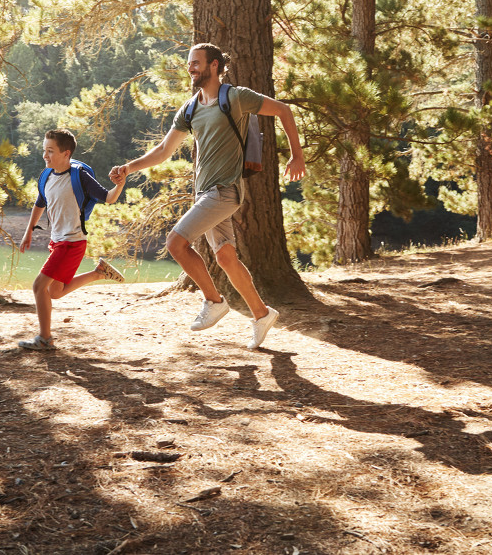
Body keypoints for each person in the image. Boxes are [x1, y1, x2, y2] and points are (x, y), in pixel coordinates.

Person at [110, 43, 306, 350]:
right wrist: (129, 167)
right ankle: (262, 313)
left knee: (176, 243)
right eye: (189, 63)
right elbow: (163, 151)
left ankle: (214, 301)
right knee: (226, 257)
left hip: (225, 191)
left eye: (196, 63)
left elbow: (283, 110)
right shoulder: (190, 108)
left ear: (214, 65)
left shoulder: (236, 97)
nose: (191, 68)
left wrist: (297, 155)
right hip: (205, 192)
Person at [18, 128, 126, 351]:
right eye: (44, 151)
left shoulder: (79, 176)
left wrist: (121, 183)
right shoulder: (46, 176)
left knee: (39, 286)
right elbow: (40, 204)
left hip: (72, 242)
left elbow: (109, 197)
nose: (45, 156)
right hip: (57, 241)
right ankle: (99, 272)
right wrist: (28, 231)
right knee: (55, 292)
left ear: (66, 153)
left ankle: (45, 339)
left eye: (50, 151)